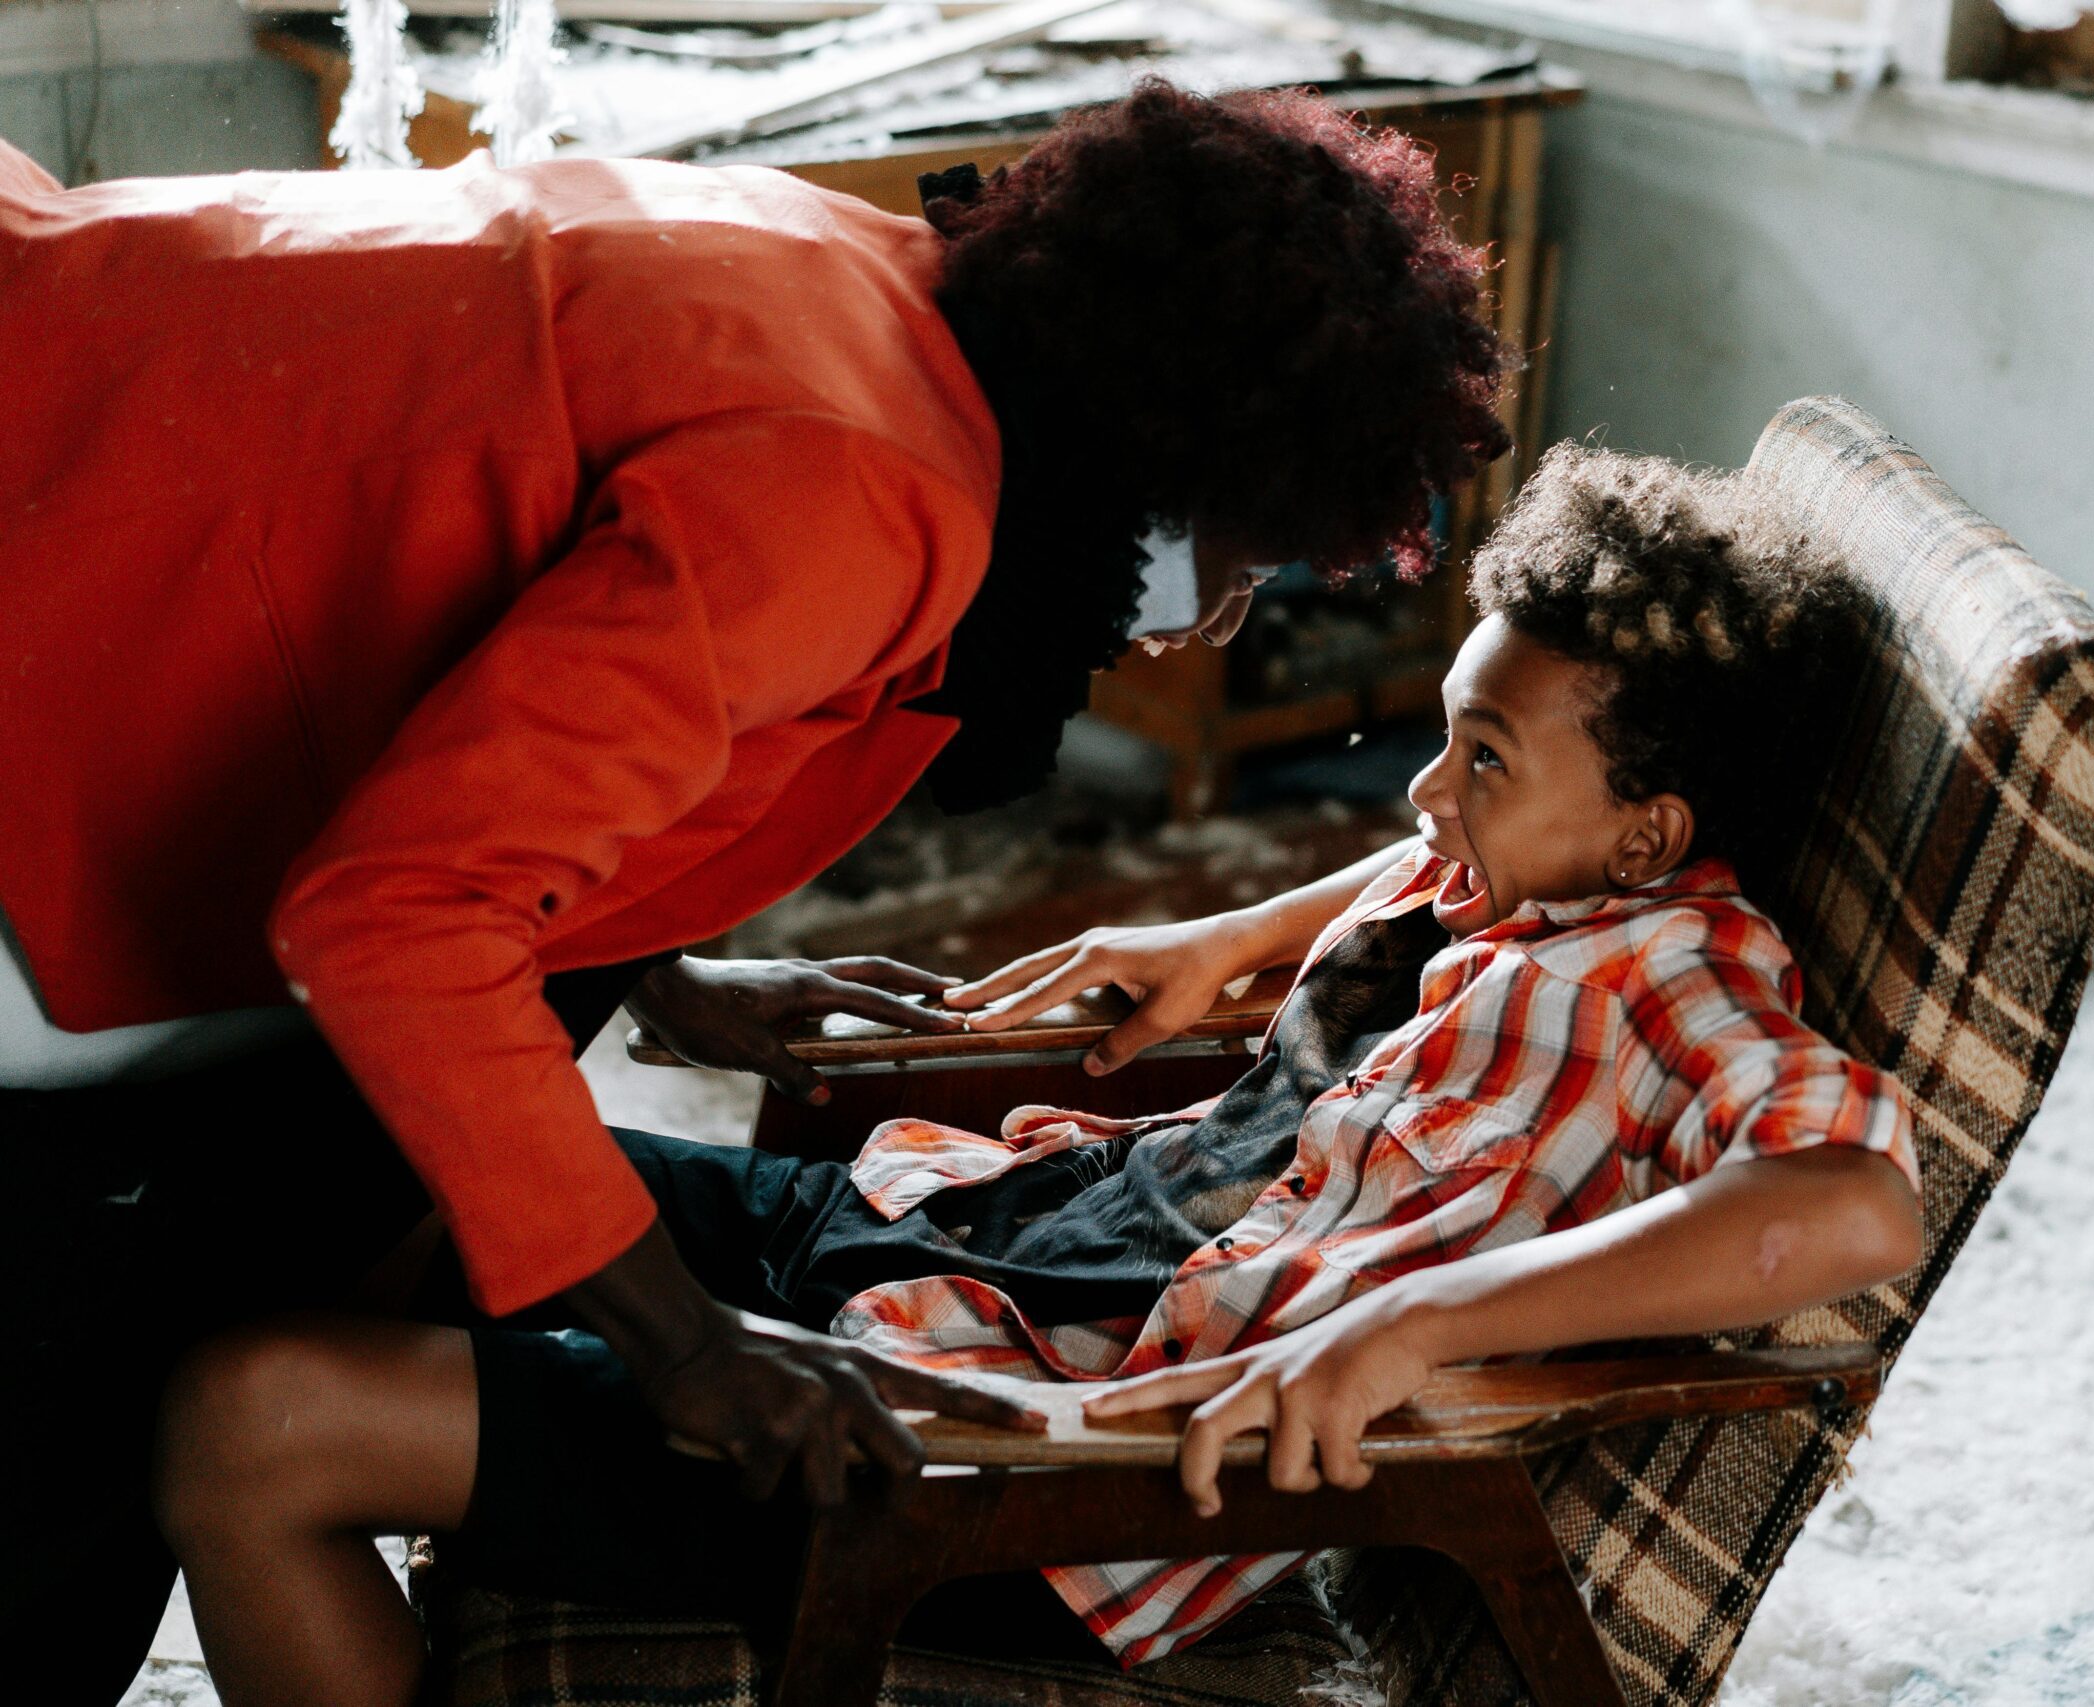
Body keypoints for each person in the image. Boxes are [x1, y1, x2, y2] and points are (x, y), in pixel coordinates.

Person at [0, 79, 1511, 1702]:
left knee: (250, 1247)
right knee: (60, 1420)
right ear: (1194, 471)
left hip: (101, 422)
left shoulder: (880, 290)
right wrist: (687, 1346)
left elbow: (525, 676)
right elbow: (395, 913)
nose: (1221, 617)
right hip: (63, 607)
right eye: (1252, 555)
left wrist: (662, 975)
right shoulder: (866, 498)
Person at [152, 444, 1928, 1704]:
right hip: (952, 1238)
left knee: (252, 1420)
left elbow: (1852, 1203)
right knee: (375, 1179)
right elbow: (1405, 879)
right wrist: (1231, 942)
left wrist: (1417, 1325)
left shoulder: (1681, 976)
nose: (1422, 800)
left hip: (1011, 1469)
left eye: (1480, 756)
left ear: (1652, 835)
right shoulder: (1527, 880)